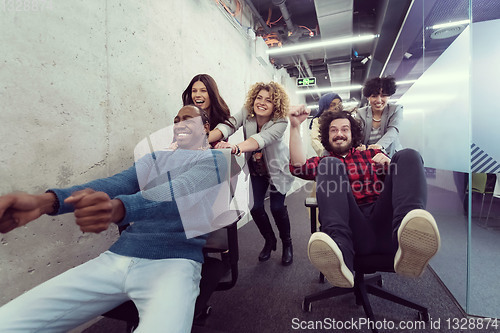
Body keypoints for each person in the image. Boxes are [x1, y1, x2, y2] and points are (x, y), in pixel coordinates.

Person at [0, 105, 228, 332]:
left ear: (205, 127)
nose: (179, 124)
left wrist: (118, 208)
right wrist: (47, 202)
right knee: (8, 322)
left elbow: (180, 191)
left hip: (175, 263)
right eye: (176, 120)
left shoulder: (216, 159)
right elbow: (116, 184)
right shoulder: (156, 158)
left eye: (187, 119)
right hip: (118, 256)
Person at [288, 107, 440, 288]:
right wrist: (295, 126)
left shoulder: (371, 155)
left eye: (345, 129)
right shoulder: (323, 162)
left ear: (353, 134)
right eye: (333, 130)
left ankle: (407, 237)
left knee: (408, 155)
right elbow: (298, 166)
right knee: (330, 164)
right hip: (352, 231)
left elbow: (403, 182)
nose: (339, 134)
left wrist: (390, 168)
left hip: (384, 225)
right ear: (327, 137)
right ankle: (341, 257)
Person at [210, 81, 295, 266]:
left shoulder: (280, 121)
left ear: (275, 105)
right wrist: (203, 139)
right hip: (257, 171)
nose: (262, 103)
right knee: (255, 207)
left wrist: (235, 147)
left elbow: (260, 139)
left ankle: (287, 244)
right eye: (259, 98)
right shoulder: (247, 113)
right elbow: (228, 125)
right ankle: (269, 240)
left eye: (269, 100)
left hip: (277, 171)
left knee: (277, 208)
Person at [182, 74, 235, 146]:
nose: (197, 95)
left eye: (203, 91)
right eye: (194, 91)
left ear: (212, 93)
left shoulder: (222, 119)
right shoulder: (185, 119)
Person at [356, 76, 402, 157]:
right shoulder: (361, 113)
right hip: (369, 157)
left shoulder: (396, 109)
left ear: (389, 96)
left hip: (391, 155)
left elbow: (393, 131)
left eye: (383, 96)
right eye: (374, 96)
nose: (379, 100)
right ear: (368, 97)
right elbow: (357, 133)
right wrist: (359, 144)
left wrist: (379, 146)